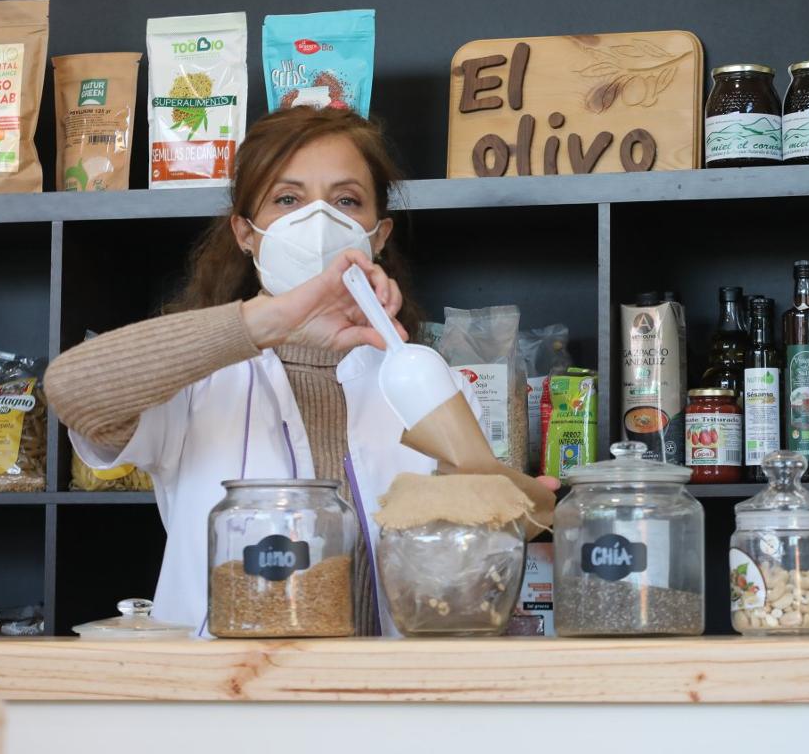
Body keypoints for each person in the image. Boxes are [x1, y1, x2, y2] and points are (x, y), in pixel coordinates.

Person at [46, 107, 556, 637]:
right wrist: (276, 318)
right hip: (227, 697)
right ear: (245, 233)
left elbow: (458, 586)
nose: (318, 221)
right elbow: (71, 389)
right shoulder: (199, 380)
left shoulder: (424, 385)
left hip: (388, 701)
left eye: (345, 201)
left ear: (378, 235)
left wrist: (492, 521)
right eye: (287, 199)